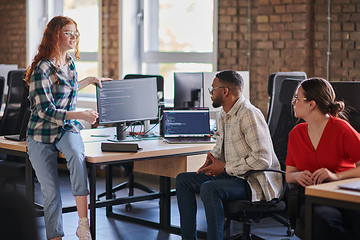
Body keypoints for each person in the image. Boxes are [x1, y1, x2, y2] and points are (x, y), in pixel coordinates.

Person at [24, 16, 111, 240]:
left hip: (65, 129)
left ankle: (84, 225)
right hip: (41, 133)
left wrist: (90, 80)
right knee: (51, 191)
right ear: (56, 35)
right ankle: (56, 237)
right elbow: (46, 111)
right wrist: (81, 114)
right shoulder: (42, 69)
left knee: (76, 155)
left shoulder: (69, 62)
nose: (74, 37)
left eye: (76, 33)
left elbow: (68, 90)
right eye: (69, 32)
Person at [176, 70, 283, 240]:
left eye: (213, 89)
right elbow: (221, 145)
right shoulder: (225, 113)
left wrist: (224, 166)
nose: (210, 93)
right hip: (235, 174)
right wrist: (212, 158)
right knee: (183, 181)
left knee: (209, 188)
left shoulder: (249, 114)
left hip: (254, 181)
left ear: (225, 91)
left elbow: (262, 160)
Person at [285, 77, 360, 240]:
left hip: (345, 192)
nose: (293, 103)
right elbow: (289, 174)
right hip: (316, 196)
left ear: (311, 104)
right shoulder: (295, 134)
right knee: (324, 219)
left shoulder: (341, 128)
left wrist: (336, 176)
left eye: (296, 98)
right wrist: (299, 176)